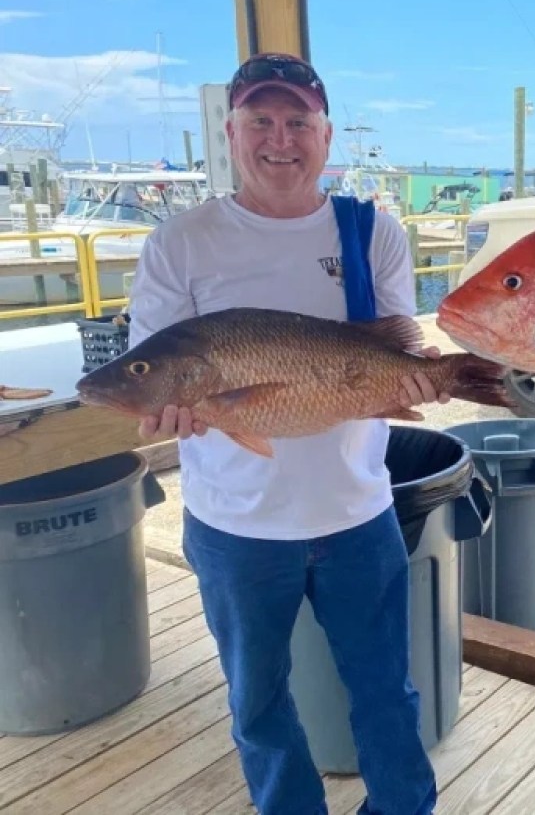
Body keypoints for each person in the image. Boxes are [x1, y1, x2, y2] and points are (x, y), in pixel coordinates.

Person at [127, 52, 442, 815]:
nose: (280, 139)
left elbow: (393, 352)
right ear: (230, 133)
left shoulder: (372, 232)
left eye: (298, 121)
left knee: (386, 695)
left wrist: (425, 381)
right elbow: (154, 369)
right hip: (235, 527)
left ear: (326, 135)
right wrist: (161, 414)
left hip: (358, 515)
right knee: (258, 705)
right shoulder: (180, 243)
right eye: (260, 121)